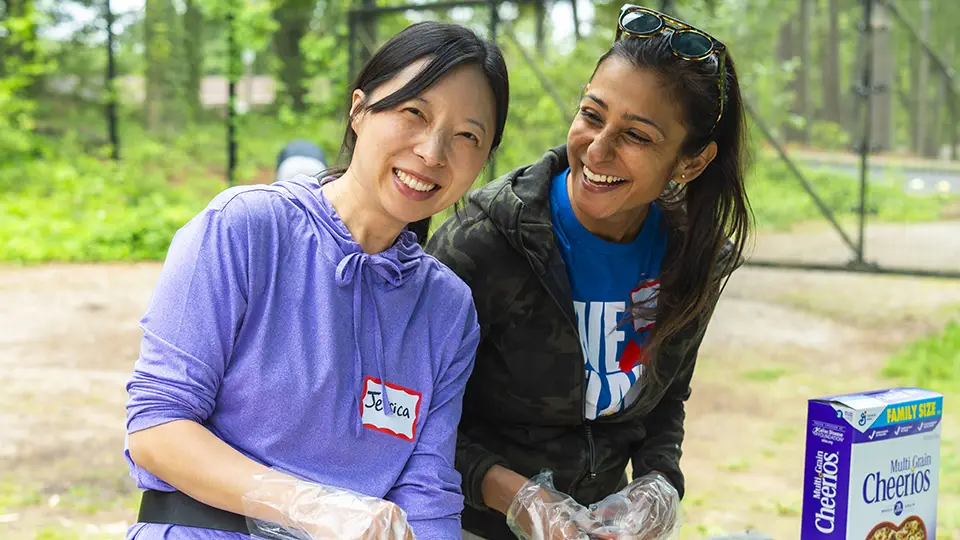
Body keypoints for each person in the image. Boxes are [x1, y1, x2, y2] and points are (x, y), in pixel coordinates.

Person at [123, 21, 509, 540]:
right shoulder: (246, 228)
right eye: (414, 112)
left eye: (467, 136)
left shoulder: (446, 307)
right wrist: (306, 504)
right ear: (359, 110)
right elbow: (157, 429)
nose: (433, 152)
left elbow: (427, 490)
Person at [426, 4, 751, 539]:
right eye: (592, 115)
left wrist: (659, 483)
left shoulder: (693, 258)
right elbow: (413, 414)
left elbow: (667, 396)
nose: (597, 150)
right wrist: (515, 497)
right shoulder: (485, 243)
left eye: (637, 136)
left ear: (691, 163)